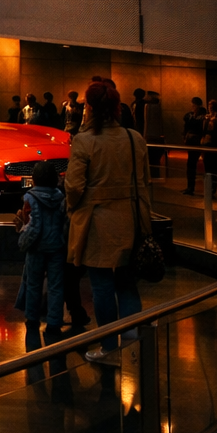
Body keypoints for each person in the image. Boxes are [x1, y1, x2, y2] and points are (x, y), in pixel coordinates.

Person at [66, 78, 153, 366]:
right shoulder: (134, 138)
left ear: (89, 108)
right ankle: (133, 345)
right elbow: (144, 180)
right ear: (117, 107)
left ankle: (109, 348)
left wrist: (72, 209)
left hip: (97, 222)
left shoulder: (84, 141)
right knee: (127, 284)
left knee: (101, 286)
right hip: (131, 219)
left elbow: (74, 186)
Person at [13, 159, 68, 349]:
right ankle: (54, 321)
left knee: (33, 284)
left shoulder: (30, 198)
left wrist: (23, 241)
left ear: (34, 179)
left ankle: (32, 318)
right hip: (57, 248)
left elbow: (32, 225)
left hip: (36, 249)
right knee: (56, 286)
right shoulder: (60, 197)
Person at [182, 96, 206, 195]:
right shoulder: (190, 115)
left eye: (194, 105)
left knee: (192, 163)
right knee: (190, 164)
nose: (192, 107)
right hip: (191, 141)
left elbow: (198, 127)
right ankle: (190, 186)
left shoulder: (201, 116)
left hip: (197, 141)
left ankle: (191, 187)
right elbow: (186, 125)